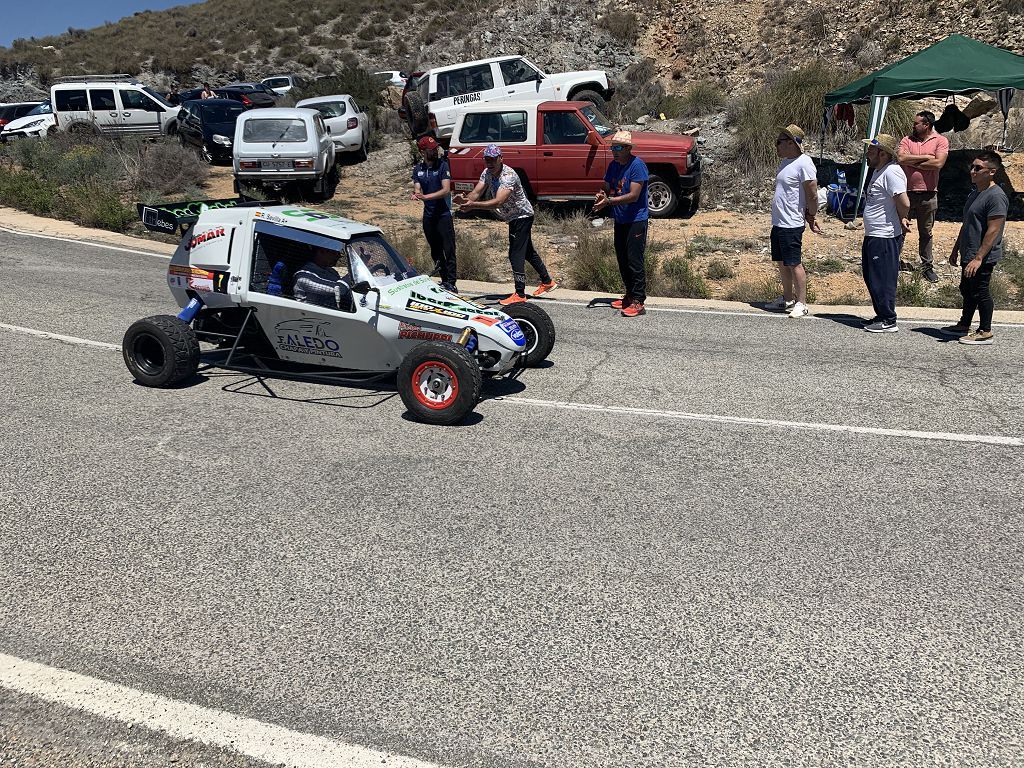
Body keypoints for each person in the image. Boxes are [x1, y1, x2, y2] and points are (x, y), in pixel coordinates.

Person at [452, 144, 557, 305]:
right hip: (513, 217)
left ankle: (520, 293)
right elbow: (476, 192)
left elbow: (498, 201)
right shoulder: (487, 173)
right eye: (487, 159)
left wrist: (473, 206)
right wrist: (466, 200)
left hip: (522, 216)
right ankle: (547, 281)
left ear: (501, 158)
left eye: (493, 159)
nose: (490, 163)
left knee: (515, 253)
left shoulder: (508, 176)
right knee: (527, 251)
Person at [940, 150, 1009, 345]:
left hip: (982, 255)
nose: (973, 171)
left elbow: (994, 230)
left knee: (980, 291)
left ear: (992, 172)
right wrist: (956, 249)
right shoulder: (976, 193)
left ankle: (985, 330)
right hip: (968, 251)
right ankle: (964, 324)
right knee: (967, 289)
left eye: (978, 168)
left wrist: (979, 258)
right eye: (972, 167)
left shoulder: (996, 196)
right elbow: (967, 223)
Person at [763, 124, 821, 318]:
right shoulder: (786, 162)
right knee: (781, 262)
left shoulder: (804, 163)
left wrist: (811, 216)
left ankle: (801, 302)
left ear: (791, 143)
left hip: (792, 222)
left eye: (779, 142)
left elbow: (812, 193)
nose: (776, 145)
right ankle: (787, 298)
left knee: (794, 263)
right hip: (779, 222)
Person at [593, 129, 650, 318]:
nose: (614, 151)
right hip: (621, 218)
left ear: (627, 148)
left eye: (618, 148)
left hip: (636, 219)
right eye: (612, 148)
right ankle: (629, 295)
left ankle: (638, 301)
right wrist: (602, 193)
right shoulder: (614, 165)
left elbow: (634, 196)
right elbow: (607, 186)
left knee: (634, 260)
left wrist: (609, 202)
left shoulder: (637, 166)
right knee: (623, 260)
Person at [860, 134, 911, 333]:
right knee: (872, 276)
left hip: (885, 235)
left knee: (882, 277)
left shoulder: (892, 172)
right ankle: (881, 314)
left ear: (882, 153)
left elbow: (904, 202)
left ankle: (889, 319)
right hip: (874, 233)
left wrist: (902, 217)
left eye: (871, 151)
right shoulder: (879, 171)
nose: (867, 154)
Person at [898, 111, 949, 283]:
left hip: (929, 194)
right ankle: (893, 261)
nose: (913, 126)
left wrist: (911, 161)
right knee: (900, 228)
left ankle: (927, 266)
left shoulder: (941, 141)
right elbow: (900, 158)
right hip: (906, 193)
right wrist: (926, 157)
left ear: (926, 125)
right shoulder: (907, 140)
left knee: (926, 232)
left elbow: (938, 163)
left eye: (916, 123)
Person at [411, 135, 457, 292]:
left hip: (443, 215)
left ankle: (452, 282)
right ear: (423, 152)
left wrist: (425, 197)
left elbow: (445, 190)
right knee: (435, 250)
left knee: (449, 249)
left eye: (436, 148)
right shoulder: (418, 169)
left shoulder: (443, 166)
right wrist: (416, 194)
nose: (435, 151)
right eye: (431, 149)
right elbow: (417, 187)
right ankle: (444, 279)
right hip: (429, 216)